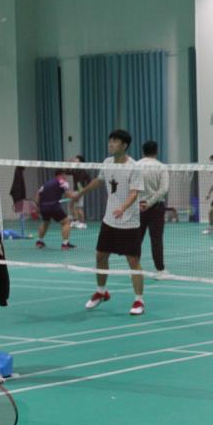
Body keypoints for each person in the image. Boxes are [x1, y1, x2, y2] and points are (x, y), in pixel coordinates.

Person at [74, 130, 146, 315]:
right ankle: (101, 292)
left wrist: (123, 208)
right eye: (110, 141)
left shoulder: (134, 167)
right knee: (100, 256)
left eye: (115, 141)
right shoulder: (107, 162)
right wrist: (81, 193)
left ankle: (139, 301)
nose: (111, 144)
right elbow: (99, 181)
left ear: (124, 145)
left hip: (129, 222)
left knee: (133, 261)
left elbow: (134, 193)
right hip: (109, 220)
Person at [137, 140, 170, 275]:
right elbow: (163, 189)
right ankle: (160, 270)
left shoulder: (135, 166)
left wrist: (138, 203)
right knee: (156, 240)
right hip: (155, 207)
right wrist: (149, 203)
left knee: (136, 239)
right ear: (157, 151)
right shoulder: (161, 167)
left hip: (137, 207)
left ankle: (135, 269)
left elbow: (130, 187)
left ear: (143, 151)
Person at [34, 169, 78, 250]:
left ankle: (39, 241)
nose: (65, 177)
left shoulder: (46, 183)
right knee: (66, 222)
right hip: (53, 206)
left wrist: (37, 206)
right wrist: (76, 196)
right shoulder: (63, 182)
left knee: (45, 222)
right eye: (64, 174)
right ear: (61, 174)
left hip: (43, 207)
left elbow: (38, 194)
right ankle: (65, 244)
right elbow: (68, 194)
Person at [69, 155, 90, 229]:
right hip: (76, 190)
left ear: (80, 161)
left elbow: (88, 180)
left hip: (79, 191)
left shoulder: (82, 170)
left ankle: (83, 223)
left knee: (78, 208)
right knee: (71, 205)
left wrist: (81, 191)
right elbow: (67, 172)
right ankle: (75, 221)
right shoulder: (75, 169)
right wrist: (69, 163)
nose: (75, 159)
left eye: (76, 159)